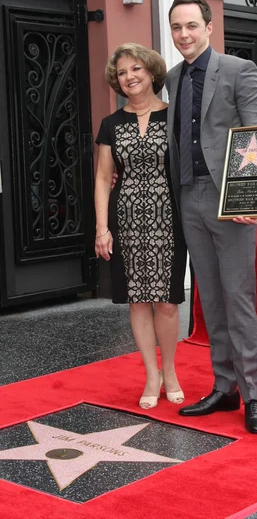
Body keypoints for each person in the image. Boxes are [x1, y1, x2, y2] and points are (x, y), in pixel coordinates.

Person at [165, 0, 257, 434]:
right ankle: (224, 387)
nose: (184, 34)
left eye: (191, 25)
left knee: (238, 299)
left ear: (209, 28)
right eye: (176, 27)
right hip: (189, 199)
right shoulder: (172, 77)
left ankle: (254, 398)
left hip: (231, 202)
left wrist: (251, 199)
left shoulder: (237, 70)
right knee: (209, 299)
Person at [95, 43, 186, 410]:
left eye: (135, 69)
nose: (129, 77)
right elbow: (103, 178)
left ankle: (172, 371)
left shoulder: (174, 116)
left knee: (165, 301)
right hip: (127, 221)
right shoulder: (111, 125)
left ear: (151, 72)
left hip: (169, 218)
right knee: (137, 301)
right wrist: (102, 229)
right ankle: (151, 373)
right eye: (121, 73)